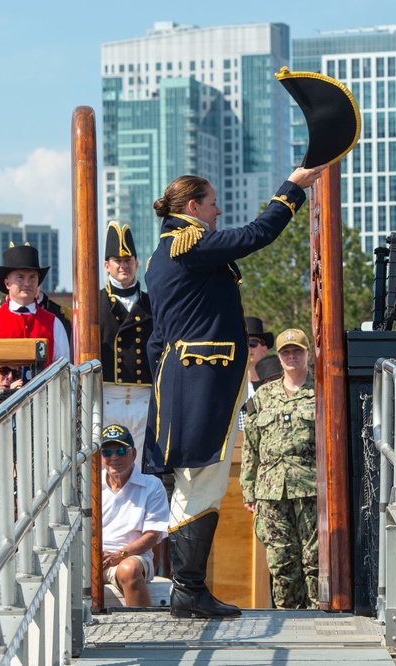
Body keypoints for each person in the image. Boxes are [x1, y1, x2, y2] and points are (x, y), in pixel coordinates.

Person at [144, 164, 327, 618]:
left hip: (187, 381)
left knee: (196, 481)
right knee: (201, 482)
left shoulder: (161, 253)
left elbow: (156, 340)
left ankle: (191, 590)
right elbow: (257, 234)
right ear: (192, 208)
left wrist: (170, 378)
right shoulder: (190, 243)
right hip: (202, 382)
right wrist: (292, 188)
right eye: (211, 202)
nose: (218, 210)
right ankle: (188, 592)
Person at [240, 328, 318, 609]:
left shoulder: (321, 392)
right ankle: (288, 620)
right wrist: (248, 489)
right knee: (281, 563)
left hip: (311, 490)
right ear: (279, 357)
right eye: (286, 352)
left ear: (308, 354)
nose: (292, 356)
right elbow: (251, 446)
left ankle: (319, 621)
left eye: (297, 351)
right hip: (271, 493)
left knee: (315, 561)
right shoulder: (263, 397)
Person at [100, 222, 153, 461]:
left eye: (128, 260)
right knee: (107, 465)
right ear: (106, 266)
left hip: (144, 397)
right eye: (117, 261)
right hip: (108, 396)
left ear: (136, 264)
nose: (124, 265)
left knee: (139, 465)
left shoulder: (152, 303)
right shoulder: (95, 303)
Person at [100, 424, 168, 607]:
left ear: (134, 454)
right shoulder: (91, 485)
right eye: (107, 452)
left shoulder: (152, 485)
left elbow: (153, 535)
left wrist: (121, 554)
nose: (114, 457)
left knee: (128, 569)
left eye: (121, 450)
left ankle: (142, 629)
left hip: (134, 558)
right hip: (95, 557)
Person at [0, 244, 70, 368]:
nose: (27, 283)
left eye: (32, 277)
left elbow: (64, 370)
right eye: (20, 277)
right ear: (7, 283)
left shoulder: (54, 324)